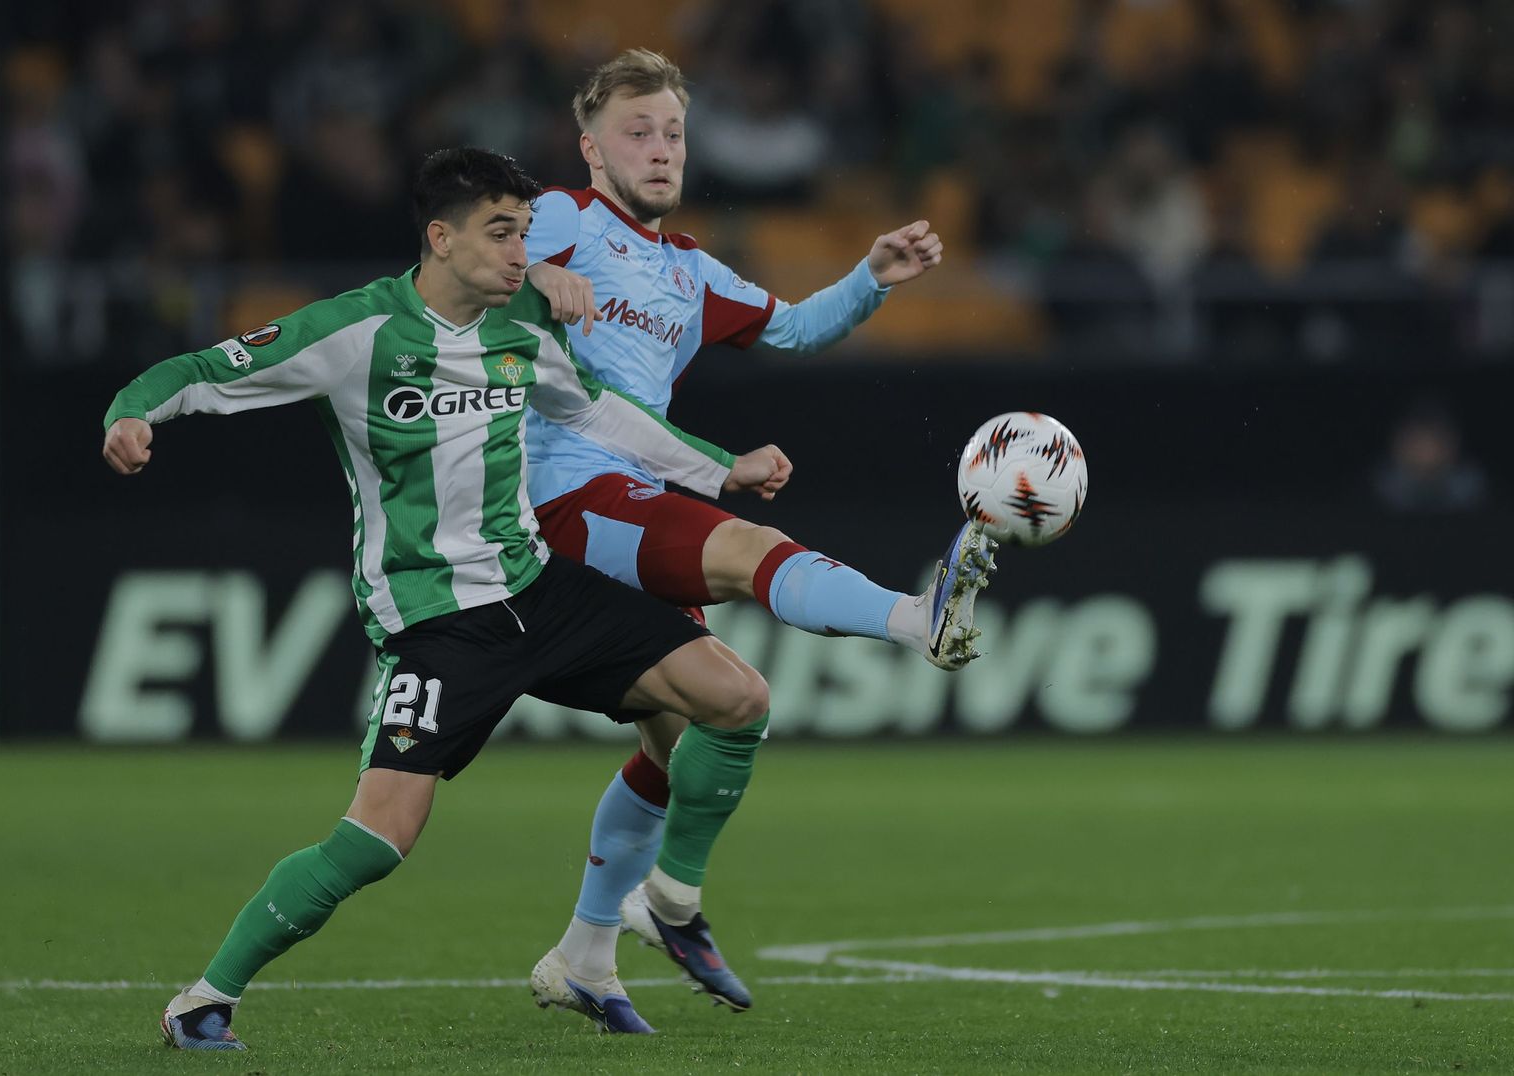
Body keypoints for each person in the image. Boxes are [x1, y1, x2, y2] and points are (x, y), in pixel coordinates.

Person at [102, 147, 794, 1050]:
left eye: (526, 233)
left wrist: (722, 468)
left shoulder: (521, 334)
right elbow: (198, 369)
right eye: (501, 234)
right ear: (441, 237)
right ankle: (203, 1001)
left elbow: (598, 412)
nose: (522, 255)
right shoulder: (353, 332)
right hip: (436, 622)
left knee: (737, 697)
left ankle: (662, 903)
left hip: (539, 590)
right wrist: (130, 414)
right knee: (378, 840)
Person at [520, 49, 997, 1031]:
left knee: (685, 739)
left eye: (673, 133)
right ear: (590, 147)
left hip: (637, 500)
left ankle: (584, 951)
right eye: (637, 132)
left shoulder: (687, 268)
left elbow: (791, 328)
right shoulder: (566, 216)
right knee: (742, 545)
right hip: (566, 497)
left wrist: (871, 276)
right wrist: (529, 269)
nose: (659, 150)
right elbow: (466, 259)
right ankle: (917, 617)